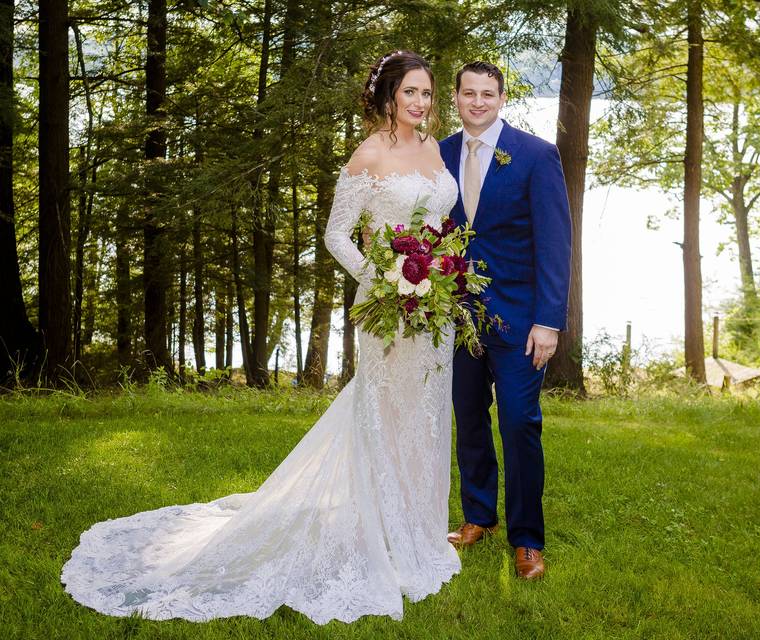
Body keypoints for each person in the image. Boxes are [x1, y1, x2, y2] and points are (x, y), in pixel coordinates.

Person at [60, 50, 461, 625]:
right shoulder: (369, 154)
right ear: (388, 97)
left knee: (423, 417)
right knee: (385, 417)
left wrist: (438, 272)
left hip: (435, 312)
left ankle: (420, 533)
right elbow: (335, 237)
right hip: (387, 309)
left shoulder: (432, 149)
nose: (421, 104)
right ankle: (383, 536)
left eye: (427, 94)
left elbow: (437, 224)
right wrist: (386, 279)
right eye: (411, 94)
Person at [438, 62, 572, 579]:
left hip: (519, 320)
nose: (477, 102)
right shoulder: (440, 154)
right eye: (468, 93)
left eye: (487, 94)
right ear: (455, 97)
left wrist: (549, 321)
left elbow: (556, 244)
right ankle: (478, 517)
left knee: (519, 424)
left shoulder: (536, 155)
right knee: (468, 419)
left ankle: (527, 539)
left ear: (502, 98)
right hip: (455, 317)